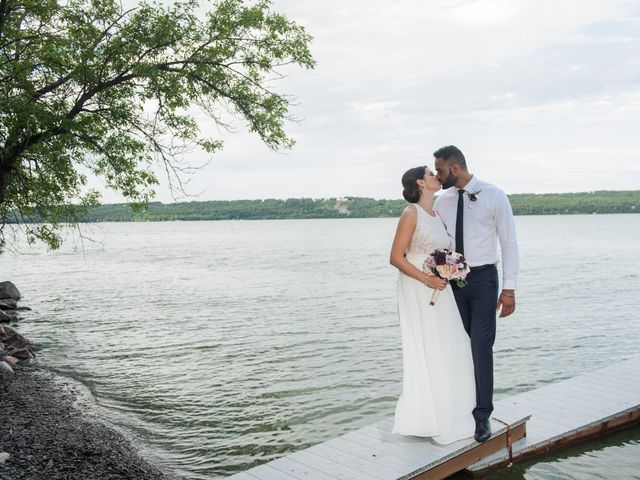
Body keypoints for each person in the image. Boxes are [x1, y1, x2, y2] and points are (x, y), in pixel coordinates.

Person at [433, 145, 519, 443]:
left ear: (455, 168)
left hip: (483, 281)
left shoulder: (495, 195)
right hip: (451, 284)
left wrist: (509, 289)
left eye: (441, 171)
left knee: (481, 346)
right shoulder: (442, 201)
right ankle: (458, 408)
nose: (438, 175)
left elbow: (509, 244)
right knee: (456, 345)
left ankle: (482, 415)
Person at [390, 165, 476, 444]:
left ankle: (454, 413)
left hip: (440, 285)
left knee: (452, 342)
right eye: (430, 173)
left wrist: (451, 269)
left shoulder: (436, 213)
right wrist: (426, 280)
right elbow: (396, 257)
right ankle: (431, 417)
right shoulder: (410, 213)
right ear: (420, 182)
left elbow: (442, 253)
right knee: (430, 345)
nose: (435, 176)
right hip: (417, 284)